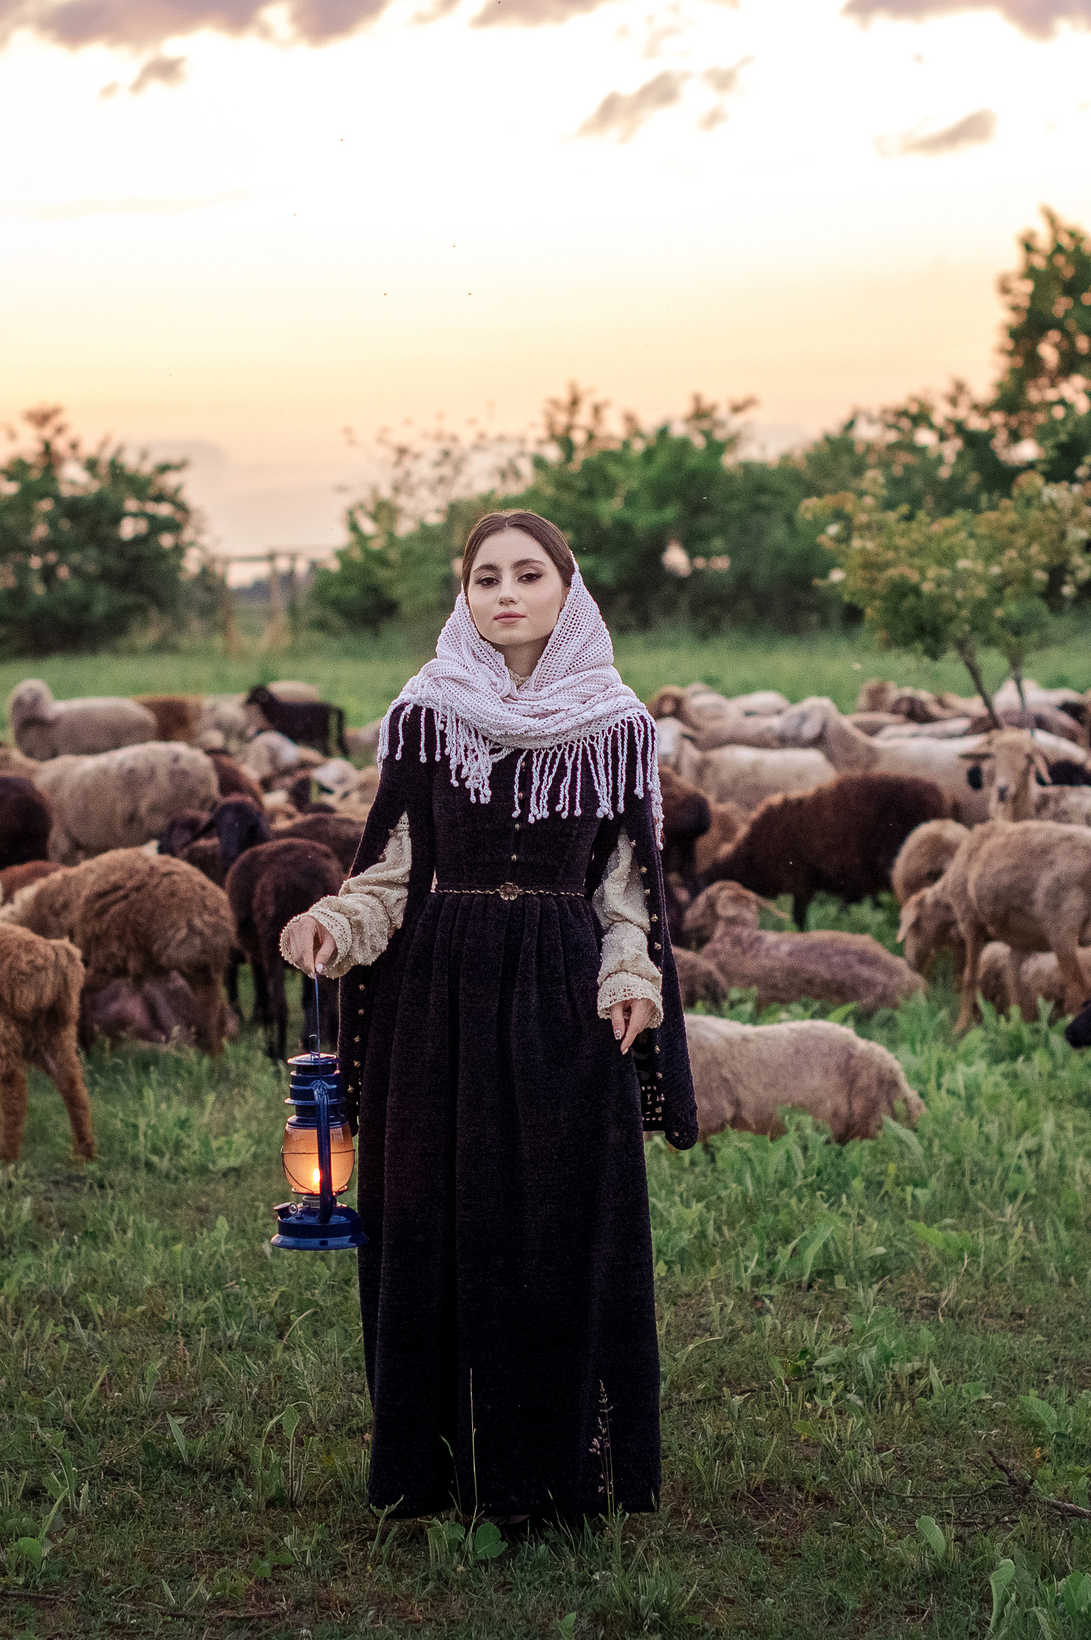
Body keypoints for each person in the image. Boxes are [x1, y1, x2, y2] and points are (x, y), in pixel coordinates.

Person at [280, 509, 696, 1523]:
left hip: (561, 996)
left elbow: (625, 891)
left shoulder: (617, 724)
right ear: (463, 595)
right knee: (435, 1216)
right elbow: (391, 872)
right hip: (440, 997)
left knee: (559, 1219)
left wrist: (629, 977)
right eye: (485, 578)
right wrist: (335, 922)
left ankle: (559, 1471)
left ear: (568, 589)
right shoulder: (425, 712)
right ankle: (436, 1469)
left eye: (528, 574)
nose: (505, 593)